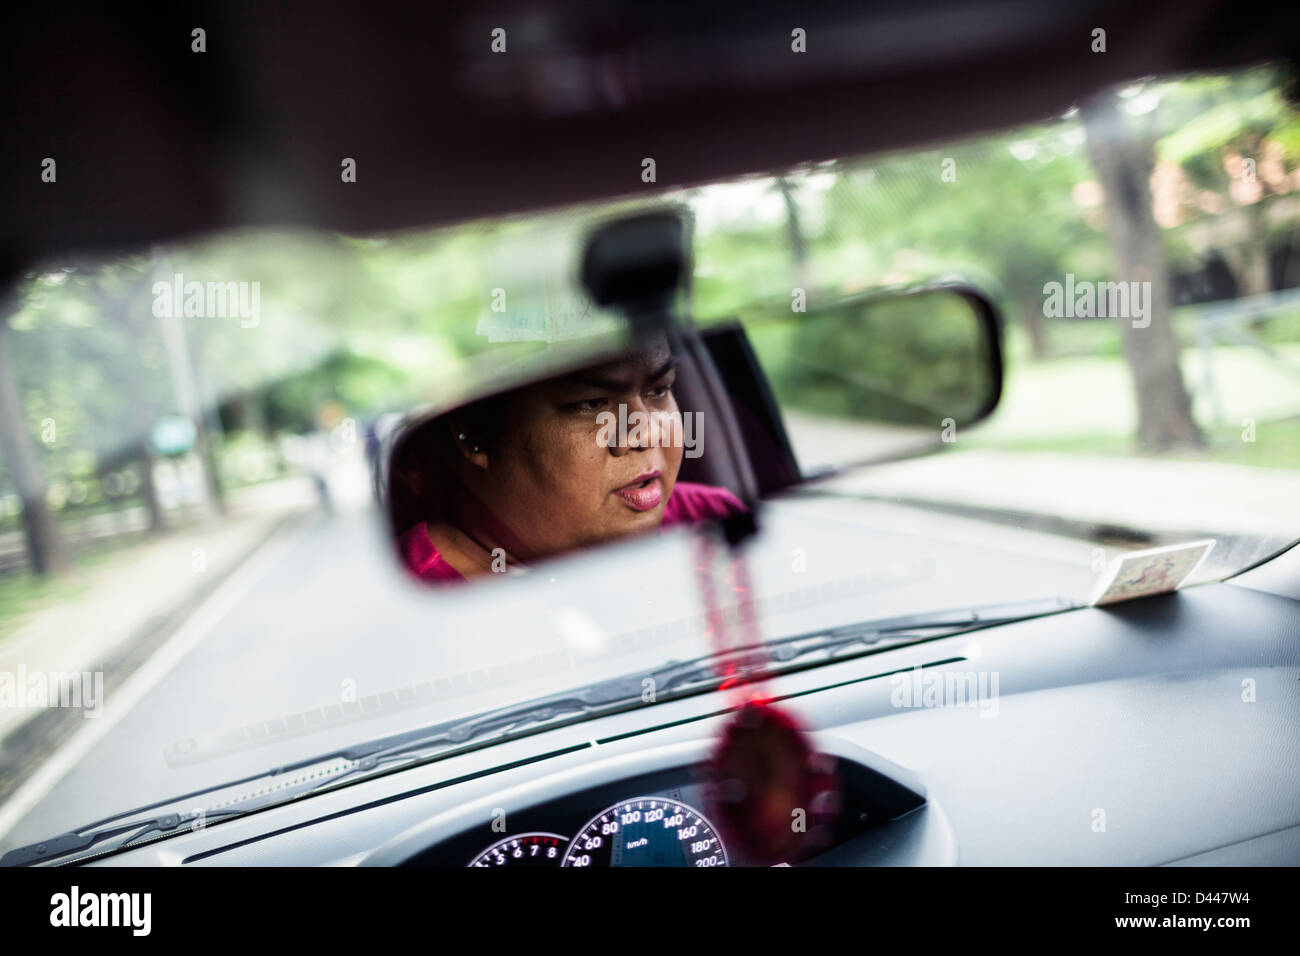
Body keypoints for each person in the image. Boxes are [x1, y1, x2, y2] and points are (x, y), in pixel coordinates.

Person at [394, 338, 745, 582]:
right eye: (591, 404)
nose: (648, 432)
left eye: (658, 390)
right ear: (473, 432)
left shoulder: (711, 521)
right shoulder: (407, 603)